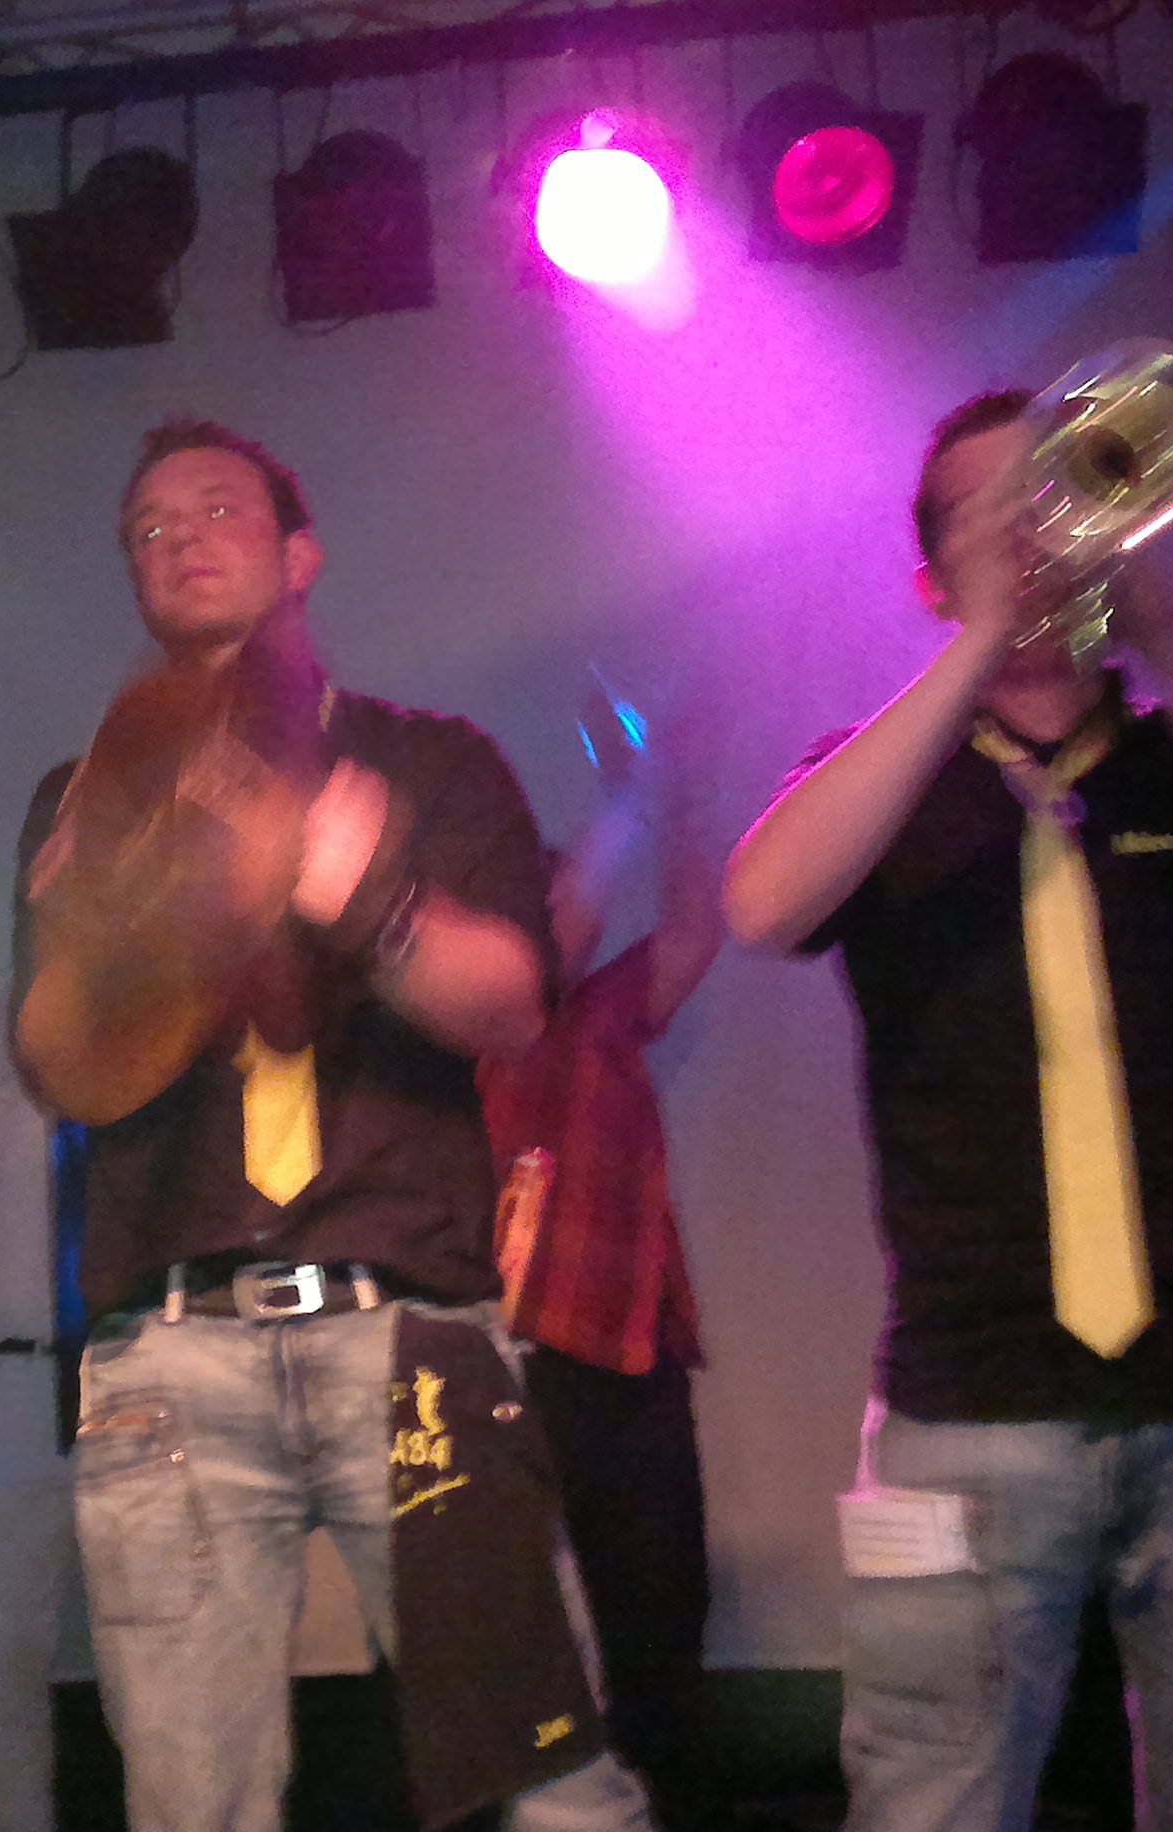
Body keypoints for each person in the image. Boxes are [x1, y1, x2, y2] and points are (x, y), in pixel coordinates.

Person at [721, 389, 1173, 1832]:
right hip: (968, 1400)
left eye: (1057, 495)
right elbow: (764, 904)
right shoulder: (882, 773)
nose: (1034, 531)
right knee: (928, 1800)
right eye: (991, 513)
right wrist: (977, 644)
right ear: (929, 574)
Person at [11, 419, 659, 1832]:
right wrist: (112, 920)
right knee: (193, 1807)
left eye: (215, 509)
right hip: (171, 1346)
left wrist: (366, 895)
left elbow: (511, 1006)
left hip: (406, 1328)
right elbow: (57, 1065)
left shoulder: (433, 761)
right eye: (145, 528)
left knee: (552, 1787)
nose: (177, 538)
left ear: (300, 554)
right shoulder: (89, 798)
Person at [477, 697, 724, 1830]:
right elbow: (558, 945)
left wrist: (677, 797)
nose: (562, 905)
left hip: (632, 1348)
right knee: (530, 1640)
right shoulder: (474, 1033)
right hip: (518, 1356)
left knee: (660, 1626)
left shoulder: (607, 1013)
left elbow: (695, 929)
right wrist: (624, 790)